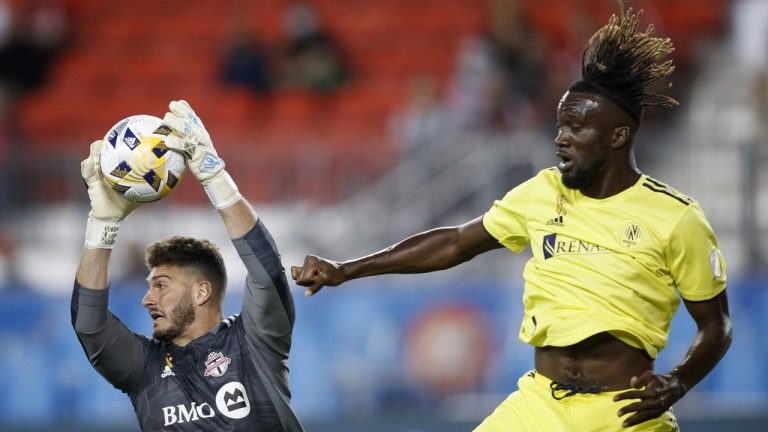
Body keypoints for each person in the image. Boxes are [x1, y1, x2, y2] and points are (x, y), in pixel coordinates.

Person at [292, 8, 732, 431]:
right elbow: (453, 244)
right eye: (560, 126)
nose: (560, 139)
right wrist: (347, 269)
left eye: (576, 129)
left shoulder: (676, 218)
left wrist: (678, 381)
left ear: (618, 136)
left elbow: (717, 326)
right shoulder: (542, 191)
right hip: (540, 405)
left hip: (622, 413)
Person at [72, 100, 303, 431]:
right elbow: (88, 325)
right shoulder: (144, 370)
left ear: (202, 292)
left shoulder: (255, 342)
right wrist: (101, 225)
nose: (147, 299)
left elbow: (266, 272)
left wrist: (215, 177)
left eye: (161, 286)